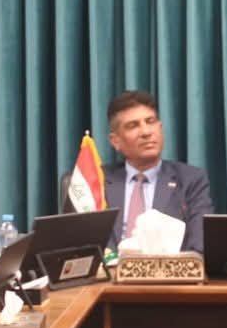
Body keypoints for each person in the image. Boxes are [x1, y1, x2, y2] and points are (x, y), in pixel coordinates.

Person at [66, 90, 214, 254]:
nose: (146, 132)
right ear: (115, 141)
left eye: (150, 122)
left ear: (160, 128)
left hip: (168, 269)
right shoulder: (95, 181)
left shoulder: (190, 180)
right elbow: (75, 247)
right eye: (133, 126)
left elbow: (199, 247)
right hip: (109, 269)